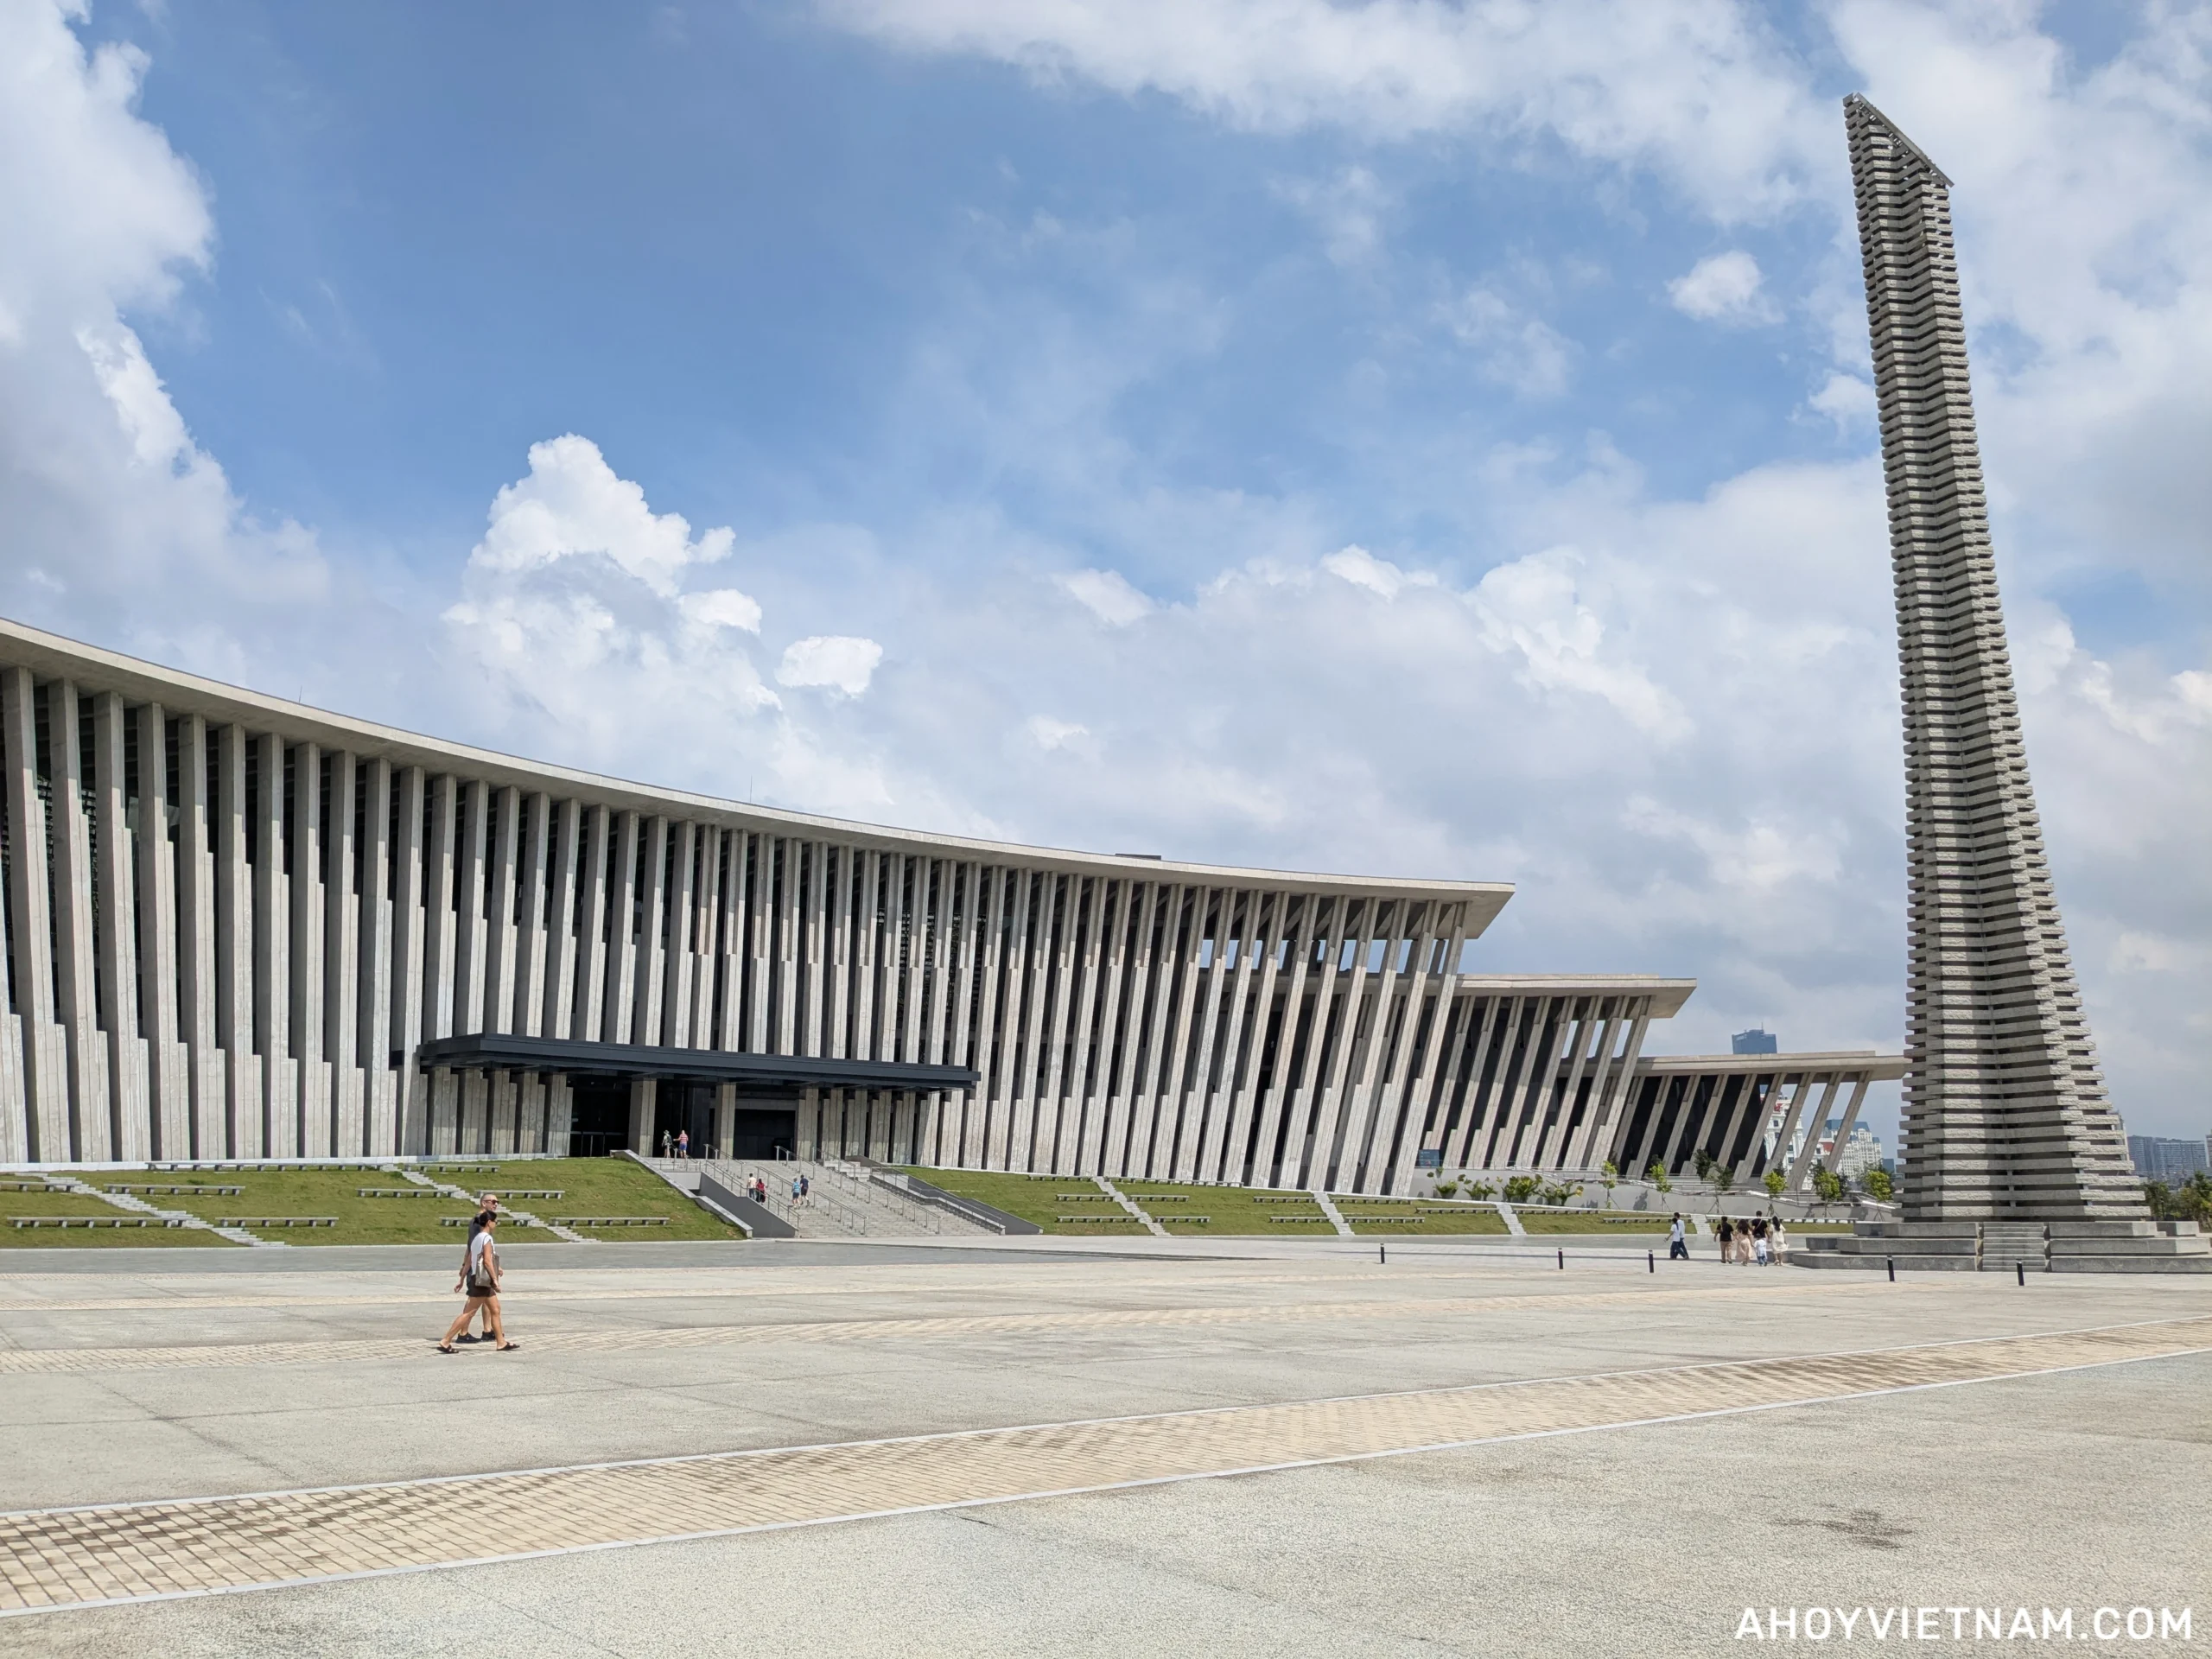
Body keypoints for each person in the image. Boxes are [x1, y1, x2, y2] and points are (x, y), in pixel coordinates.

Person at [438, 1212, 518, 1353]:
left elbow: (468, 1261)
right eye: (495, 1222)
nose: (496, 1224)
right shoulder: (487, 1238)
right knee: (469, 1313)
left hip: (479, 1280)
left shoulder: (476, 1239)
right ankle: (445, 1341)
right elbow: (487, 1260)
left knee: (495, 1309)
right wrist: (494, 1280)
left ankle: (501, 1342)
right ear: (488, 1222)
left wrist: (462, 1280)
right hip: (482, 1282)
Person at [457, 1192, 502, 1342]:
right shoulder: (479, 1222)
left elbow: (471, 1245)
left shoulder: (480, 1221)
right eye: (492, 1201)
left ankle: (488, 1330)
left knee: (489, 1301)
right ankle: (462, 1333)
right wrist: (465, 1267)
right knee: (473, 1303)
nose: (495, 1204)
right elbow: (475, 1247)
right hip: (479, 1267)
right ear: (483, 1203)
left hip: (480, 1265)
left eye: (497, 1202)